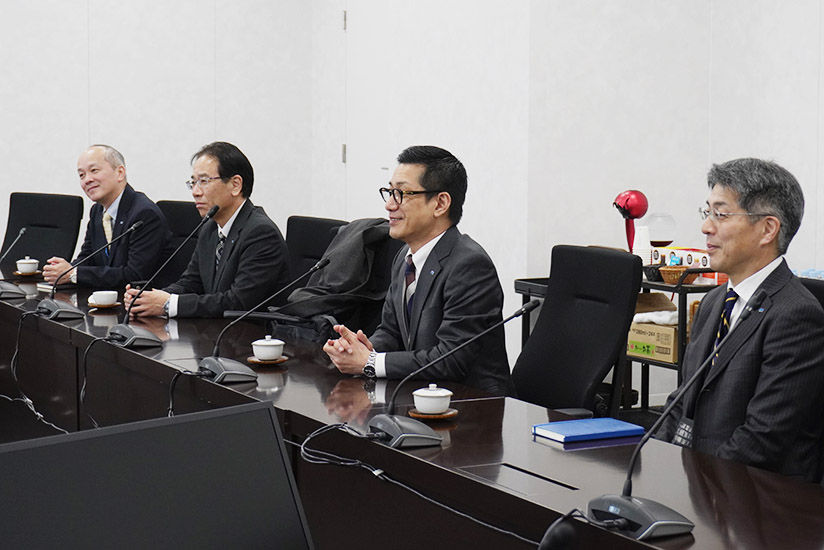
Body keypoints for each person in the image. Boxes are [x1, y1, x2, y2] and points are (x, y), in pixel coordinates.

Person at [656, 158, 824, 481]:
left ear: (767, 229)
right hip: (705, 483)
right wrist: (654, 463)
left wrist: (695, 487)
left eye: (721, 214)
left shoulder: (797, 316)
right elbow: (681, 401)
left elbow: (761, 440)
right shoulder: (713, 301)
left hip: (759, 497)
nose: (706, 227)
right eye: (707, 213)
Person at [323, 145, 512, 396]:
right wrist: (362, 350)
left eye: (401, 193)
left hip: (473, 405)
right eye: (389, 192)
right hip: (418, 396)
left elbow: (450, 358)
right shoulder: (404, 256)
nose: (390, 205)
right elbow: (391, 331)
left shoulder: (470, 265)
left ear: (440, 203)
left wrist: (371, 362)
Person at [124, 141, 290, 318]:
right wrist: (150, 298)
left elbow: (238, 302)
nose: (195, 192)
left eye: (204, 181)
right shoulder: (210, 227)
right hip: (214, 330)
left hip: (253, 332)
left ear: (235, 185)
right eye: (193, 182)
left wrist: (168, 304)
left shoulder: (261, 233)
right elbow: (191, 283)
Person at [42, 145, 170, 289]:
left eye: (94, 170)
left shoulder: (144, 214)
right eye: (82, 175)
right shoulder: (97, 211)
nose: (87, 180)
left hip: (141, 299)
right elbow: (88, 257)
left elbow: (134, 275)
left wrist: (74, 274)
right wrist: (63, 271)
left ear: (120, 173)